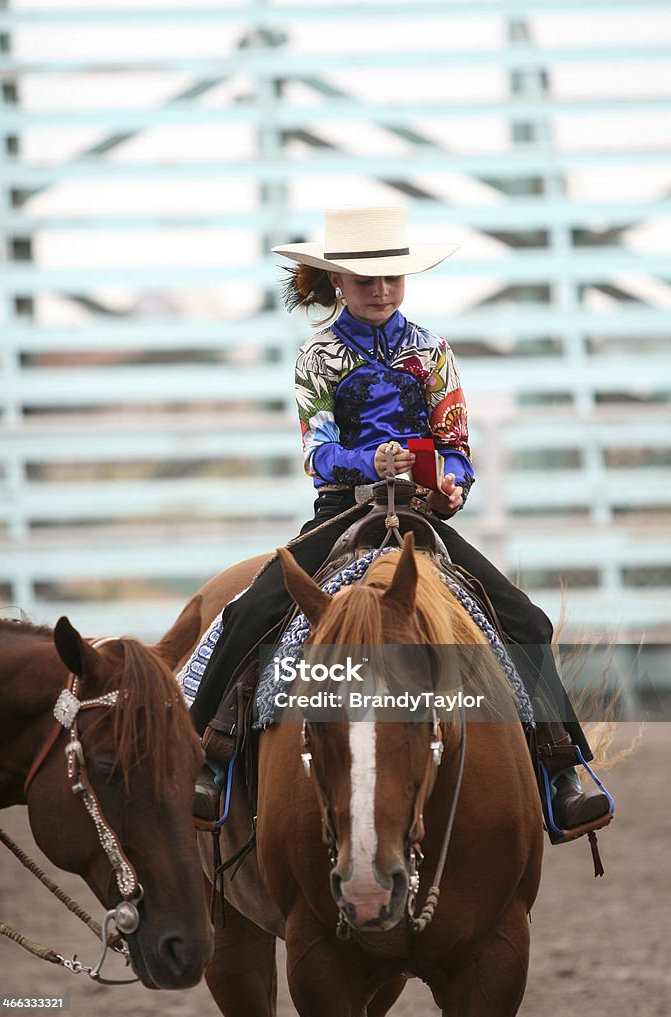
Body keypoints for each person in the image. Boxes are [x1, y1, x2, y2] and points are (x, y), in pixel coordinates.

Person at [191, 205, 612, 840]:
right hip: (345, 510)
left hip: (422, 515)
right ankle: (208, 757)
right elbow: (318, 452)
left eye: (392, 278)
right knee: (251, 614)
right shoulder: (318, 356)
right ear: (338, 282)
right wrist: (372, 460)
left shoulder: (434, 351)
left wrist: (451, 484)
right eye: (366, 280)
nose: (381, 290)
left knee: (527, 620)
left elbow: (457, 446)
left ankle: (561, 766)